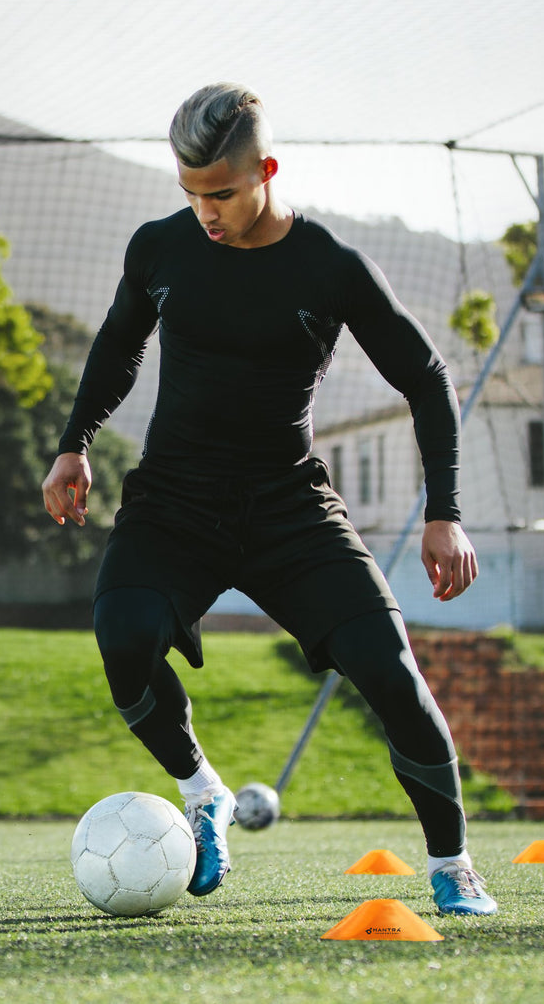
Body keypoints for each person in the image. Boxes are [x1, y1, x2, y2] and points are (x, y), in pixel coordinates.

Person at [41, 83, 497, 916]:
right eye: (191, 192)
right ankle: (203, 791)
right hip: (174, 502)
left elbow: (427, 376)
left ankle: (453, 864)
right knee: (123, 636)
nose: (205, 211)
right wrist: (75, 443)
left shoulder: (330, 266)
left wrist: (446, 511)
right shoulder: (160, 249)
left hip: (291, 509)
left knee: (392, 672)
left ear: (267, 172)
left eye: (221, 192)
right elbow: (118, 344)